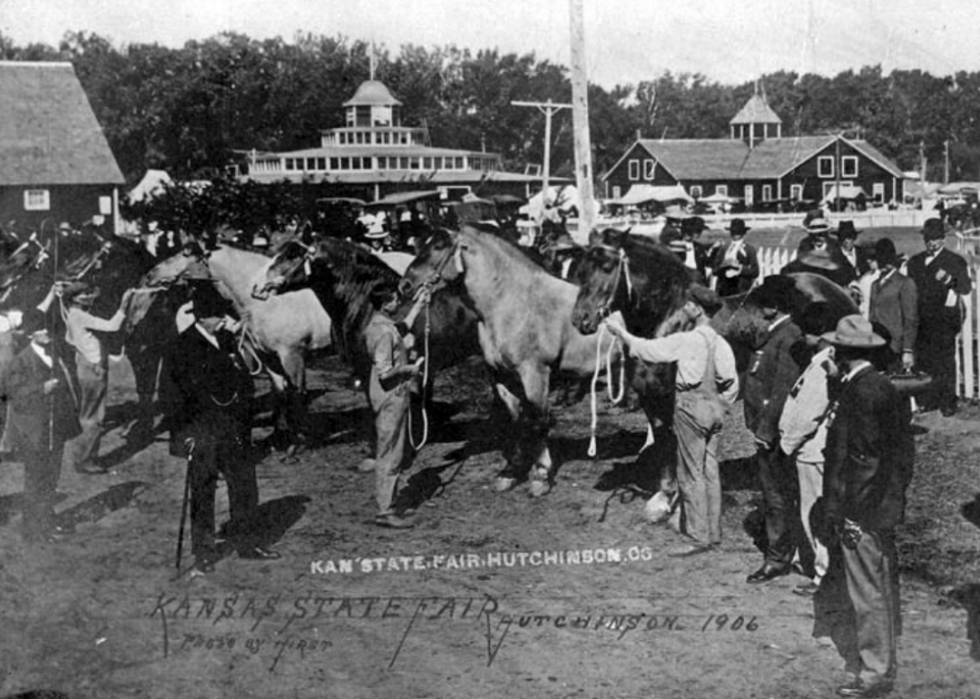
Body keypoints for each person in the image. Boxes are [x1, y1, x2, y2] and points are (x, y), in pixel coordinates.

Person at [818, 314, 914, 698]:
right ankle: (882, 660)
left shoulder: (861, 393)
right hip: (882, 502)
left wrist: (851, 512)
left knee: (867, 591)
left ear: (843, 352)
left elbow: (862, 459)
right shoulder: (880, 387)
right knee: (880, 583)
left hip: (863, 508)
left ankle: (875, 672)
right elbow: (899, 456)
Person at [604, 285, 738, 556]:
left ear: (697, 310)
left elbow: (648, 349)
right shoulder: (720, 341)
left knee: (690, 473)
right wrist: (721, 405)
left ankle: (699, 537)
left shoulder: (687, 340)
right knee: (711, 471)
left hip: (690, 406)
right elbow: (731, 381)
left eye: (688, 305)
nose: (685, 308)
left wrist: (620, 332)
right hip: (714, 407)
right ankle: (713, 532)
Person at [164, 267, 280, 575]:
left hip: (233, 429)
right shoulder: (181, 347)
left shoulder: (228, 340)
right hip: (201, 432)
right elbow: (173, 398)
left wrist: (245, 415)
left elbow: (244, 378)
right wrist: (182, 438)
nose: (223, 321)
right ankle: (203, 552)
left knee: (244, 485)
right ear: (202, 317)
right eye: (218, 316)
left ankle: (247, 543)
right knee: (203, 492)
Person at [744, 275, 806, 583]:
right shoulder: (773, 333)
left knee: (776, 495)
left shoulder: (789, 336)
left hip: (775, 431)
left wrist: (766, 431)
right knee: (774, 493)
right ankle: (785, 551)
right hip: (764, 427)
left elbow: (782, 391)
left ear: (775, 306)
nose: (759, 308)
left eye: (764, 303)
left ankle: (778, 558)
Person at [2, 309, 80, 542]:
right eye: (41, 329)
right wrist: (42, 389)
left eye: (49, 328)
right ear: (30, 335)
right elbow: (13, 395)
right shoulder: (21, 360)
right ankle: (33, 529)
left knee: (51, 478)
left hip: (54, 430)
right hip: (33, 432)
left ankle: (47, 519)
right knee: (36, 480)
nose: (47, 333)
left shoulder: (54, 354)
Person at [779, 306, 838, 597]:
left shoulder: (821, 366)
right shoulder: (827, 361)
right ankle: (825, 572)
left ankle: (823, 577)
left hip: (813, 449)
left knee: (814, 514)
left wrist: (786, 444)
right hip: (817, 448)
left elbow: (808, 414)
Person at [363, 283, 431, 528]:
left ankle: (386, 504)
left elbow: (400, 329)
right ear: (385, 304)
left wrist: (419, 304)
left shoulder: (379, 325)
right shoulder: (384, 333)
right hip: (392, 395)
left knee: (390, 450)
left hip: (386, 395)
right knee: (391, 452)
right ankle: (385, 510)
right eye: (394, 300)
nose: (397, 303)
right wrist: (410, 369)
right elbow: (385, 373)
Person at [61, 281, 133, 475]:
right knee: (94, 416)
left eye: (88, 293)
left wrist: (84, 352)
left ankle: (81, 457)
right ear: (73, 299)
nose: (87, 296)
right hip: (93, 368)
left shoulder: (73, 315)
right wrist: (124, 305)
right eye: (82, 295)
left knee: (86, 413)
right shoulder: (81, 316)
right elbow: (113, 326)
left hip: (84, 363)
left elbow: (69, 339)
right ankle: (86, 461)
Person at [906, 218, 972, 416]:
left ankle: (948, 401)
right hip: (921, 319)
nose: (931, 243)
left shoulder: (954, 261)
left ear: (943, 239)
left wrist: (949, 280)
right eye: (927, 238)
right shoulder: (915, 262)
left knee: (944, 361)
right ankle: (928, 399)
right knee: (924, 360)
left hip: (943, 320)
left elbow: (965, 288)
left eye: (935, 238)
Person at [868, 239, 918, 373]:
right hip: (876, 345)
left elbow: (910, 319)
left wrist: (907, 349)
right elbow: (872, 315)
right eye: (881, 260)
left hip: (895, 347)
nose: (884, 264)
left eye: (887, 260)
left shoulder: (905, 283)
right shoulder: (874, 285)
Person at [710, 219, 759, 296]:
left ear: (744, 233)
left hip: (741, 289)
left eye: (739, 232)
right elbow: (714, 270)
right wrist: (723, 265)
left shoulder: (749, 249)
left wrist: (740, 268)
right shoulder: (724, 248)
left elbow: (755, 272)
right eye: (734, 232)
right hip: (724, 288)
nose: (736, 234)